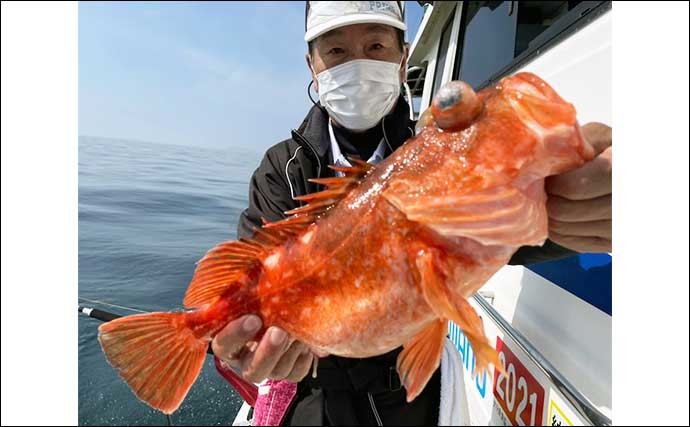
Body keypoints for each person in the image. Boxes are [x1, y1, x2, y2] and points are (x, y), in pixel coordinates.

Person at [211, 1, 612, 425]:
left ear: (403, 60)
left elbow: (492, 234)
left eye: (376, 45)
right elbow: (250, 278)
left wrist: (571, 210)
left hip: (412, 397)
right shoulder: (282, 169)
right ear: (312, 64)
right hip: (315, 393)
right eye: (336, 52)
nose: (359, 63)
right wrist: (239, 347)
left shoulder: (431, 149)